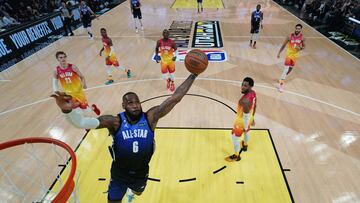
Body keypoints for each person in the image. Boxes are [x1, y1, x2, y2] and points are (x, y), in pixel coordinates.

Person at [51, 73, 199, 203]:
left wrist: (193, 75)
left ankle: (134, 191)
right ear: (123, 105)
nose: (135, 106)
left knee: (138, 193)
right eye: (130, 103)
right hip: (119, 174)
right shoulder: (114, 122)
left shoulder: (150, 117)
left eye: (137, 102)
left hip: (141, 172)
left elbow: (175, 98)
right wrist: (67, 110)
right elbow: (82, 123)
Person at [52, 51, 100, 115]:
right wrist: (55, 90)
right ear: (57, 59)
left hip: (79, 92)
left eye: (64, 57)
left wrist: (84, 84)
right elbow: (54, 82)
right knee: (78, 112)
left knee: (86, 111)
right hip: (69, 94)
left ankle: (93, 108)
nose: (63, 59)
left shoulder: (72, 67)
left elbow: (82, 77)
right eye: (60, 57)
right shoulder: (56, 71)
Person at [226, 77, 257, 162]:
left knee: (234, 137)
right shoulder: (253, 93)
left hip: (242, 122)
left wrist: (245, 127)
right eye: (242, 84)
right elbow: (255, 106)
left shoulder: (245, 101)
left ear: (250, 87)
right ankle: (245, 145)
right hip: (250, 117)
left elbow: (245, 116)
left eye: (245, 86)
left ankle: (236, 155)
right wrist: (253, 118)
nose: (242, 87)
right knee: (247, 133)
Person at [277, 24, 305, 92]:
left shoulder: (302, 38)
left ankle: (282, 78)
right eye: (296, 28)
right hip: (289, 55)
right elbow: (283, 45)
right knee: (286, 70)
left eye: (299, 29)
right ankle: (280, 86)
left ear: (301, 29)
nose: (297, 30)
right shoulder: (289, 36)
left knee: (290, 70)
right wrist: (279, 53)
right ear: (295, 28)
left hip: (295, 56)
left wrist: (300, 48)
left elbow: (303, 47)